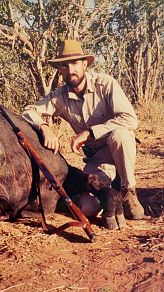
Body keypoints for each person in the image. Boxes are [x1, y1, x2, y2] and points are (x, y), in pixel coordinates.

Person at [22, 39, 144, 220]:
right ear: (60, 70)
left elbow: (130, 120)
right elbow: (28, 111)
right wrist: (44, 127)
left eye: (74, 63)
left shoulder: (106, 83)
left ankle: (128, 191)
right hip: (97, 158)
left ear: (85, 64)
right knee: (88, 208)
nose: (70, 70)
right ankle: (111, 189)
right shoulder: (59, 97)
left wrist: (90, 132)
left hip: (119, 150)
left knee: (120, 135)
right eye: (64, 65)